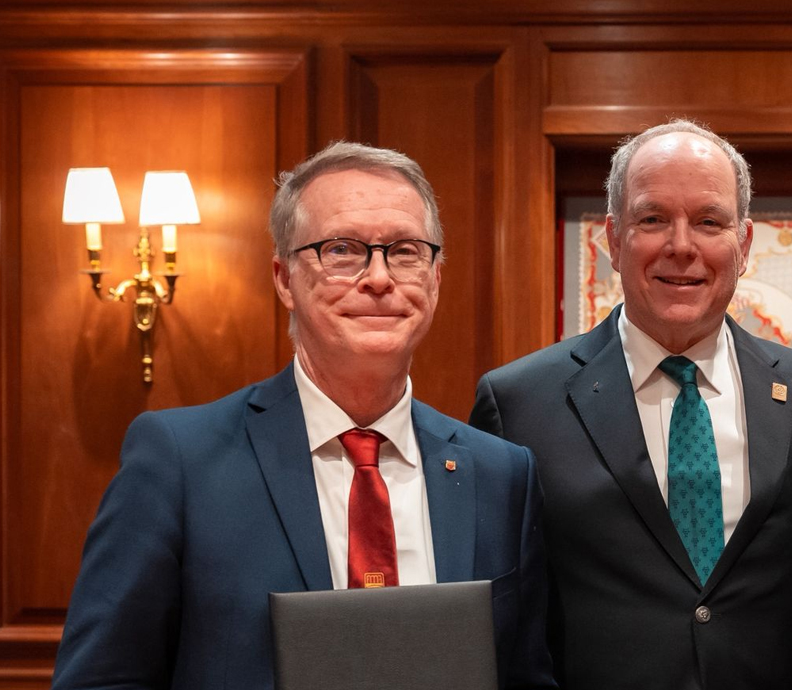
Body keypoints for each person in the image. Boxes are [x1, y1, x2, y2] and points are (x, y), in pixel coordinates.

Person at [52, 141, 554, 690]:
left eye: (406, 251)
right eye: (342, 250)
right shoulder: (180, 462)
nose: (379, 277)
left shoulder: (501, 474)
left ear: (434, 278)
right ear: (283, 278)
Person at [470, 119, 792, 689]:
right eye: (653, 219)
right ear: (613, 239)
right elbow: (502, 609)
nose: (682, 246)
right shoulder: (517, 405)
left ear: (744, 245)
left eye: (709, 221)